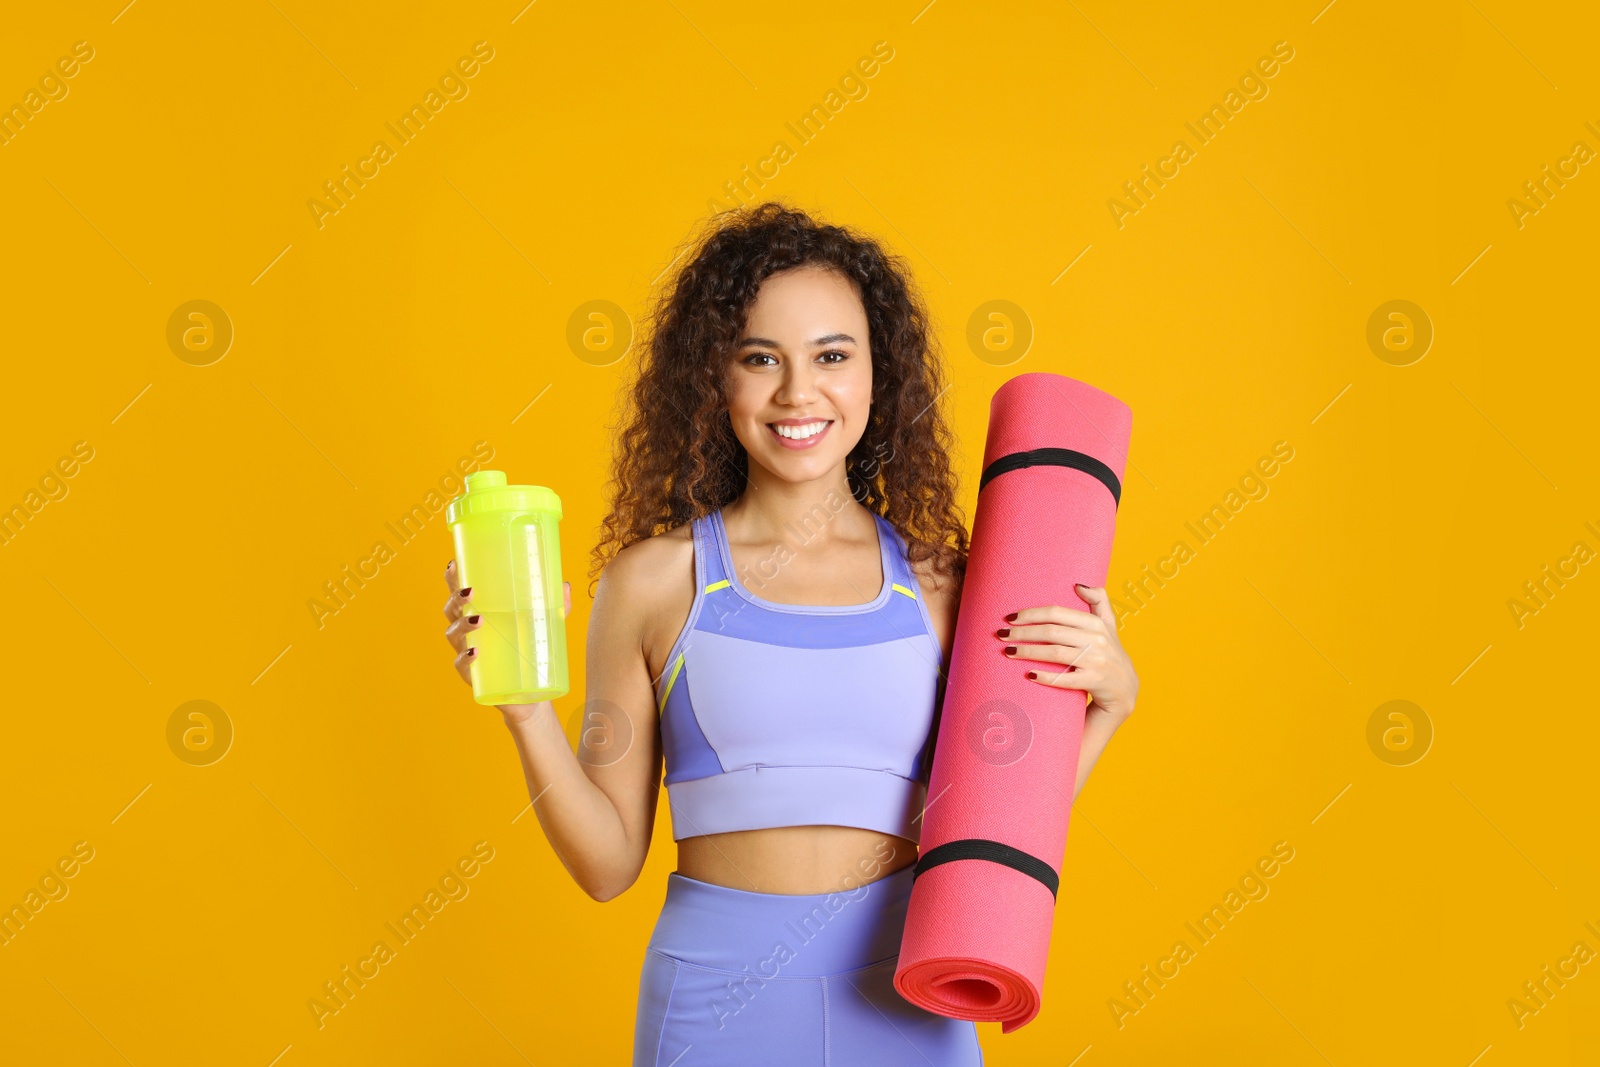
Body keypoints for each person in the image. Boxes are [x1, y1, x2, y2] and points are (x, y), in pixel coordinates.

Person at [439, 201, 1140, 1065]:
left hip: (908, 1002)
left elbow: (997, 821)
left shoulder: (944, 585)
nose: (798, 393)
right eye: (759, 358)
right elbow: (607, 864)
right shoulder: (654, 584)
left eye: (832, 356)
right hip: (712, 999)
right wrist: (522, 709)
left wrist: (1109, 703)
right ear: (715, 378)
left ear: (879, 375)